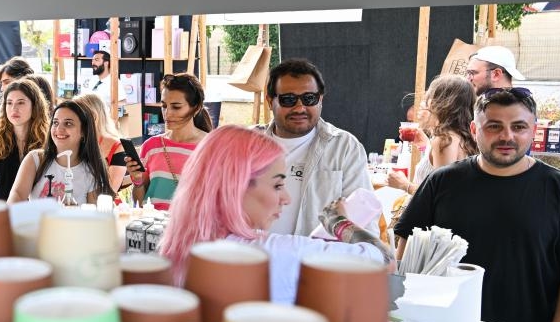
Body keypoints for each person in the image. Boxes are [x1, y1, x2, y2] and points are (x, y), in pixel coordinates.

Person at [394, 88, 560, 322]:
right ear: (474, 130)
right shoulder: (442, 182)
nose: (506, 136)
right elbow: (407, 247)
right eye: (494, 126)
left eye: (519, 127)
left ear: (533, 131)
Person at [159, 125, 392, 302]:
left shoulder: (180, 247)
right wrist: (337, 222)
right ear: (236, 187)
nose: (286, 198)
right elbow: (384, 261)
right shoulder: (271, 253)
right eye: (277, 186)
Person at [263, 58, 371, 236]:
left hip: (319, 260)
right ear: (270, 101)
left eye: (309, 98)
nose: (300, 108)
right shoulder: (248, 145)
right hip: (257, 257)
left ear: (320, 100)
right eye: (288, 99)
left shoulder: (344, 148)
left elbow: (364, 221)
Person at [124, 73, 213, 210]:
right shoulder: (151, 146)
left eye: (176, 107)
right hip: (151, 227)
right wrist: (137, 181)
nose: (167, 113)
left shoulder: (211, 147)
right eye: (164, 105)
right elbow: (140, 205)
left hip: (190, 228)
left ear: (196, 108)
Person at [6, 98, 113, 204]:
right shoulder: (35, 159)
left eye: (68, 124)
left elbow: (92, 216)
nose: (59, 129)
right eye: (55, 123)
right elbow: (17, 197)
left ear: (84, 132)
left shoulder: (91, 172)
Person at [388, 75, 478, 194]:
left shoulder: (445, 139)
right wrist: (426, 145)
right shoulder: (465, 135)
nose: (424, 103)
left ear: (442, 103)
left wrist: (404, 185)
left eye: (430, 97)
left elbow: (441, 194)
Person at [0, 79, 50, 200]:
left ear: (35, 105)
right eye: (9, 103)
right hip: (2, 213)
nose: (14, 108)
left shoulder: (47, 139)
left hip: (36, 213)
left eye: (21, 103)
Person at [74, 92, 127, 191]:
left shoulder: (118, 147)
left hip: (104, 204)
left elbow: (110, 190)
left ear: (93, 116)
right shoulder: (76, 141)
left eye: (77, 116)